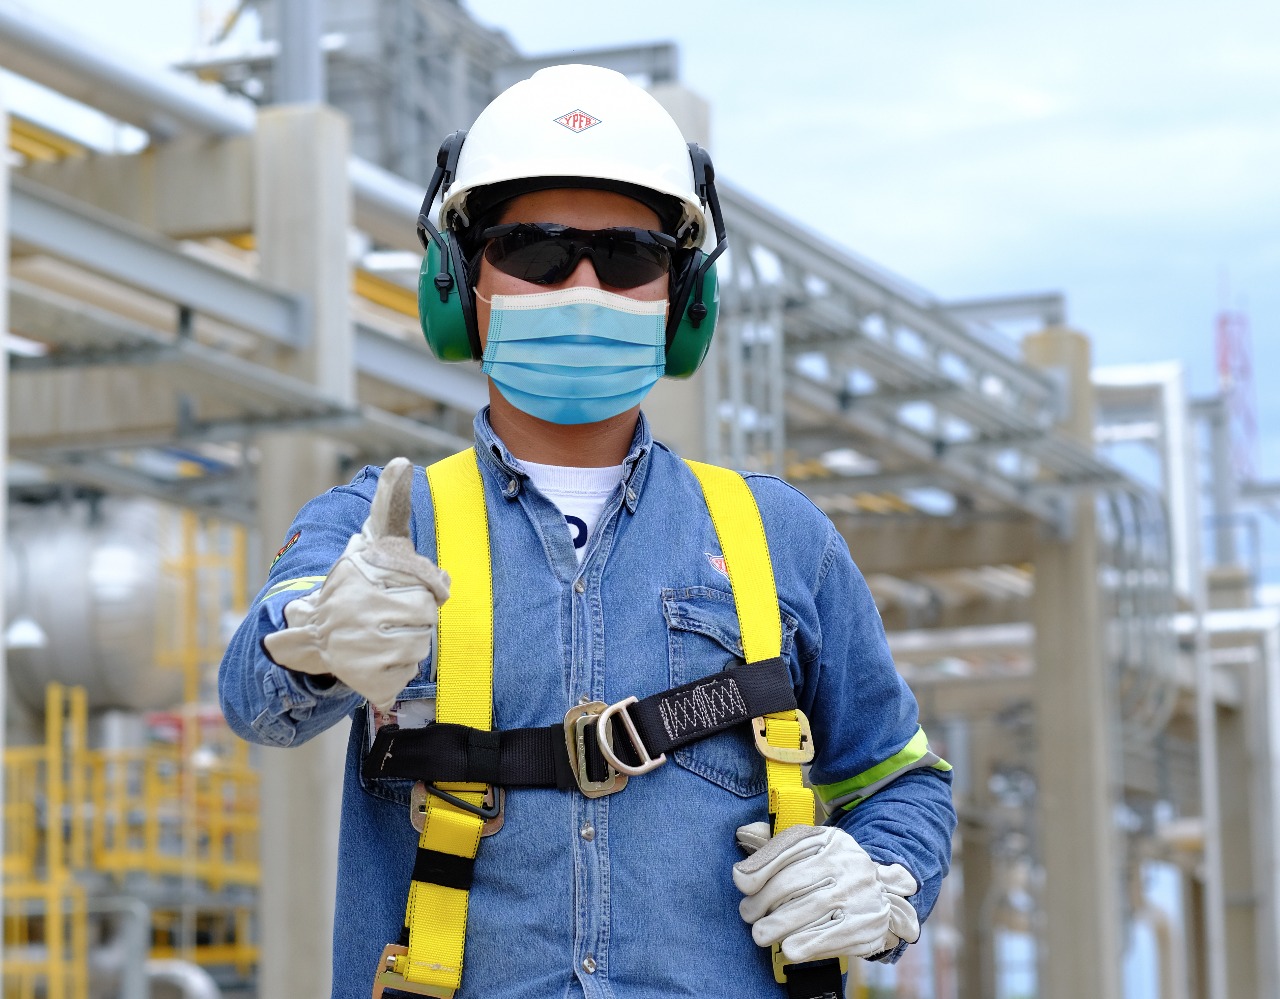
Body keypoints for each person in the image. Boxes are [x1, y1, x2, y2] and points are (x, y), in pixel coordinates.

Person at [220, 64, 955, 999]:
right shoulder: (385, 526)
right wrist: (317, 636)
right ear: (461, 282)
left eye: (628, 257)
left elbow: (900, 778)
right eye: (533, 251)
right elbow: (254, 694)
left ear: (682, 301)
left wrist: (884, 876)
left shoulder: (780, 537)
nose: (580, 285)